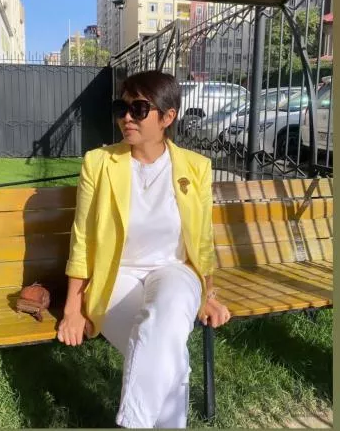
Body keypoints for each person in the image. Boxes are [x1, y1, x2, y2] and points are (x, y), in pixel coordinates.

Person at [57, 70, 231, 428]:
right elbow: (83, 238)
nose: (126, 118)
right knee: (172, 357)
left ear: (168, 117)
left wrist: (208, 293)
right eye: (121, 108)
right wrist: (73, 308)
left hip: (175, 270)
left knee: (166, 321)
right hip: (115, 275)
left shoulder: (196, 167)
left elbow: (201, 239)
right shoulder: (99, 163)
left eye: (138, 109)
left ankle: (133, 422)